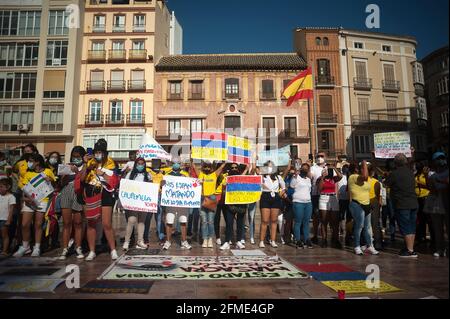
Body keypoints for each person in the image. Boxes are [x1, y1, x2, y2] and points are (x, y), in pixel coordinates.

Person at [80, 139, 119, 261]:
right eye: (96, 152)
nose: (98, 154)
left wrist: (102, 174)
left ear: (105, 153)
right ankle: (92, 251)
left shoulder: (111, 163)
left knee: (106, 223)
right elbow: (81, 180)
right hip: (91, 192)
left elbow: (114, 181)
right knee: (91, 223)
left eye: (100, 152)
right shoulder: (90, 162)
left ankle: (113, 250)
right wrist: (86, 165)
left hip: (106, 193)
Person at [13, 154, 56, 257]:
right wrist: (26, 198)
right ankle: (25, 246)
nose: (29, 163)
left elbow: (53, 187)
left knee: (38, 224)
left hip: (43, 200)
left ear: (38, 162)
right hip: (29, 201)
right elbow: (24, 190)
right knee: (24, 224)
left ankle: (37, 247)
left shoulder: (48, 171)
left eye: (31, 161)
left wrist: (50, 182)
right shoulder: (28, 174)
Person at [384, 153, 419, 258]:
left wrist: (386, 177)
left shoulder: (394, 174)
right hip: (413, 202)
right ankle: (410, 248)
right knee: (412, 226)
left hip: (402, 203)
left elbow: (386, 184)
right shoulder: (410, 172)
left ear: (395, 163)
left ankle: (410, 250)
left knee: (405, 227)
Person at [58, 146, 86, 260]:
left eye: (78, 157)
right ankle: (65, 248)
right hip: (66, 192)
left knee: (78, 222)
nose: (76, 159)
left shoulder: (85, 166)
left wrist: (77, 172)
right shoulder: (67, 165)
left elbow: (83, 179)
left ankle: (78, 247)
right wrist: (65, 173)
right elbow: (62, 182)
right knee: (66, 223)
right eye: (74, 156)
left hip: (78, 193)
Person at [191, 160, 226, 248]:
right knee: (203, 221)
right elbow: (194, 166)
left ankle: (210, 239)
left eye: (208, 167)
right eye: (205, 167)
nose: (207, 168)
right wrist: (192, 157)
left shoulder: (214, 174)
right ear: (203, 167)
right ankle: (205, 239)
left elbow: (222, 166)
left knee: (210, 221)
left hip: (212, 198)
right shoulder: (201, 174)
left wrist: (225, 158)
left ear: (211, 168)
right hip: (202, 198)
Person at [347, 161, 379, 256]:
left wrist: (373, 158)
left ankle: (369, 246)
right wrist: (364, 163)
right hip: (357, 204)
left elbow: (369, 174)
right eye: (363, 168)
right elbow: (365, 176)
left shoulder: (365, 179)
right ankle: (357, 246)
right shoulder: (353, 177)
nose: (365, 169)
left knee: (368, 227)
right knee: (359, 225)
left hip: (366, 204)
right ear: (357, 169)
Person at [122, 157, 152, 251]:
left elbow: (151, 186)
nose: (140, 165)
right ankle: (127, 241)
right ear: (135, 164)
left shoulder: (148, 175)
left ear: (144, 165)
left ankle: (140, 241)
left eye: (142, 164)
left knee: (141, 221)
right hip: (133, 202)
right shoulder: (130, 174)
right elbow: (125, 185)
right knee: (131, 220)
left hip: (143, 202)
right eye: (138, 163)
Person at [162, 163, 192, 250]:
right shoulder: (166, 175)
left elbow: (190, 185)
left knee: (183, 222)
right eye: (174, 163)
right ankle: (168, 241)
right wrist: (162, 183)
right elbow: (162, 186)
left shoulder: (185, 175)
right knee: (169, 222)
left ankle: (184, 241)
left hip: (182, 204)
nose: (176, 165)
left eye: (178, 163)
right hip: (171, 203)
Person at [220, 163, 249, 250]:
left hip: (241, 204)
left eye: (236, 167)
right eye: (232, 167)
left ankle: (239, 241)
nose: (234, 169)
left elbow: (246, 175)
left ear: (238, 169)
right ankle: (227, 241)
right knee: (229, 223)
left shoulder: (242, 177)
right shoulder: (226, 177)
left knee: (240, 223)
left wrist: (247, 168)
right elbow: (223, 187)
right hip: (230, 204)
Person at [425, 152, 449, 258]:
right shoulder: (430, 174)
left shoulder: (434, 174)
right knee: (437, 229)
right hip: (435, 204)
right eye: (438, 159)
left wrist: (436, 180)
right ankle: (440, 249)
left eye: (442, 158)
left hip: (446, 203)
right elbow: (432, 187)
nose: (441, 161)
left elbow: (440, 186)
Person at [258, 161, 286, 248]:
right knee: (265, 220)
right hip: (265, 197)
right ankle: (261, 240)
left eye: (271, 166)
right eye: (268, 167)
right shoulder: (262, 176)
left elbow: (284, 187)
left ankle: (273, 240)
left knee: (274, 221)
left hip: (276, 198)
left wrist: (281, 193)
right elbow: (258, 183)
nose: (270, 168)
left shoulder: (278, 177)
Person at [317, 165, 343, 248]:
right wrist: (322, 177)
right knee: (324, 220)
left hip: (333, 198)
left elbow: (340, 176)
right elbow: (320, 189)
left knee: (335, 221)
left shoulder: (333, 179)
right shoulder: (320, 179)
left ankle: (335, 239)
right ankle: (324, 239)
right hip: (324, 197)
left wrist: (334, 168)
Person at [291, 163, 313, 249]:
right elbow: (292, 185)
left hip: (308, 202)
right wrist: (295, 176)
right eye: (303, 168)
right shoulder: (296, 177)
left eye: (306, 168)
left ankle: (306, 239)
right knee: (298, 222)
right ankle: (298, 240)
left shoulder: (308, 179)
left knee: (306, 222)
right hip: (298, 202)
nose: (305, 170)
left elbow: (309, 190)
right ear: (300, 169)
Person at [310, 153, 327, 244]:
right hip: (315, 194)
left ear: (325, 157)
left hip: (327, 194)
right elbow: (310, 176)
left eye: (322, 156)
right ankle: (315, 235)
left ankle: (325, 237)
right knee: (316, 216)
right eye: (318, 156)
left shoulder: (328, 168)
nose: (320, 158)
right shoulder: (313, 168)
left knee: (325, 217)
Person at [414, 162, 431, 245]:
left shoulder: (426, 175)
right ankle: (421, 236)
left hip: (425, 197)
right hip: (417, 198)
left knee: (427, 217)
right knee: (420, 218)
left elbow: (429, 185)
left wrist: (418, 182)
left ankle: (430, 236)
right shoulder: (415, 175)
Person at [368, 165, 383, 251]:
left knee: (366, 224)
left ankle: (368, 242)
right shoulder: (376, 182)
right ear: (373, 173)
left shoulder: (363, 180)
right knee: (375, 224)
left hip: (366, 202)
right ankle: (378, 243)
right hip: (374, 202)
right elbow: (378, 195)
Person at [0, 178, 15, 256]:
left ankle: (5, 250)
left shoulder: (11, 197)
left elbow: (11, 210)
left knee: (4, 235)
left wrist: (9, 220)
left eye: (1, 187)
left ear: (8, 187)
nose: (0, 188)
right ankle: (2, 248)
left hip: (4, 219)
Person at [337, 164, 351, 245]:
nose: (345, 170)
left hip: (348, 200)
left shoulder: (350, 177)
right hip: (341, 199)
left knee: (348, 217)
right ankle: (341, 229)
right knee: (341, 216)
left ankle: (348, 232)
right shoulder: (341, 177)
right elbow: (337, 188)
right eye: (344, 168)